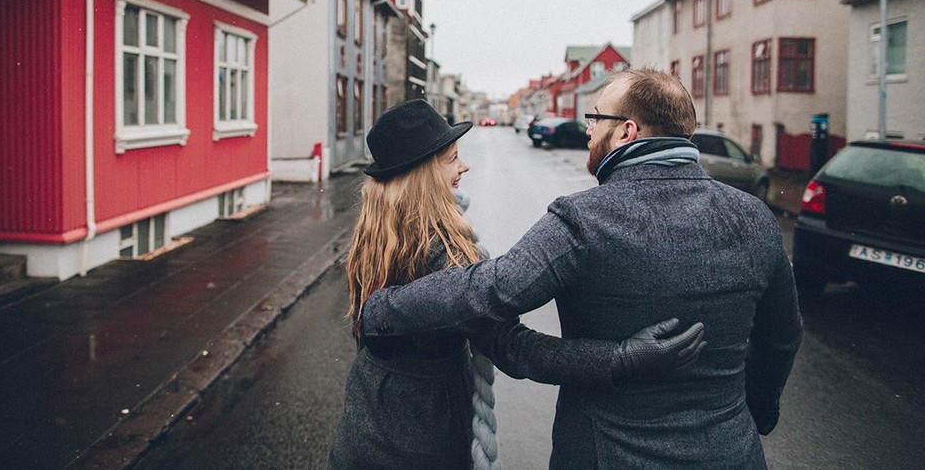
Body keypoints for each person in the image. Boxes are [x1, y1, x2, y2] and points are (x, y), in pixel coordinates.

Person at [361, 72, 803, 469]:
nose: (588, 130)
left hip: (604, 452)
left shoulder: (583, 220)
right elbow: (782, 336)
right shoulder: (755, 218)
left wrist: (383, 309)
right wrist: (755, 413)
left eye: (595, 118)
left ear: (627, 131)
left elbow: (494, 290)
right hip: (729, 450)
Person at [328, 98, 706, 470]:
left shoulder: (375, 233)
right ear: (422, 175)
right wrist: (617, 359)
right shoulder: (446, 251)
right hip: (422, 433)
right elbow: (513, 347)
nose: (465, 165)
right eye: (451, 158)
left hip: (364, 416)